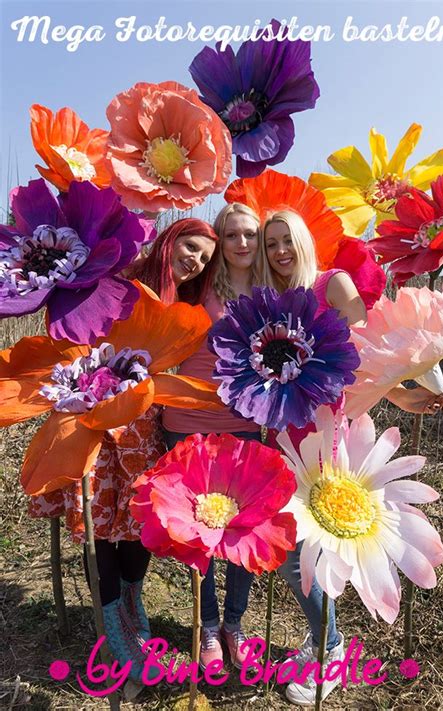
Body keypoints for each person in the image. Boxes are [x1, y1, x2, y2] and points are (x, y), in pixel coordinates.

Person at [260, 209, 443, 704]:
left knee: (310, 546)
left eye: (287, 240)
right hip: (279, 433)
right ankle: (324, 638)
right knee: (287, 546)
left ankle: (331, 647)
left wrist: (405, 395)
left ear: (303, 241)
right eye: (271, 242)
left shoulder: (332, 285)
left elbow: (368, 358)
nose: (280, 250)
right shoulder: (271, 300)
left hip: (324, 434)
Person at [28, 217, 220, 679]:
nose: (193, 261)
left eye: (203, 259)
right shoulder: (121, 281)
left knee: (138, 521)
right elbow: (75, 334)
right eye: (191, 247)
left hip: (146, 428)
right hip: (92, 419)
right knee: (100, 524)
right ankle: (113, 623)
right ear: (171, 239)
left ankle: (133, 603)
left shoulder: (188, 302)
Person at [162, 203, 262, 672]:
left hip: (245, 420)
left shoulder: (272, 288)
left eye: (251, 234)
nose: (242, 243)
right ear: (218, 240)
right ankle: (206, 627)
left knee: (243, 528)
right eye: (231, 235)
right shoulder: (198, 285)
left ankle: (234, 624)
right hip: (187, 419)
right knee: (196, 532)